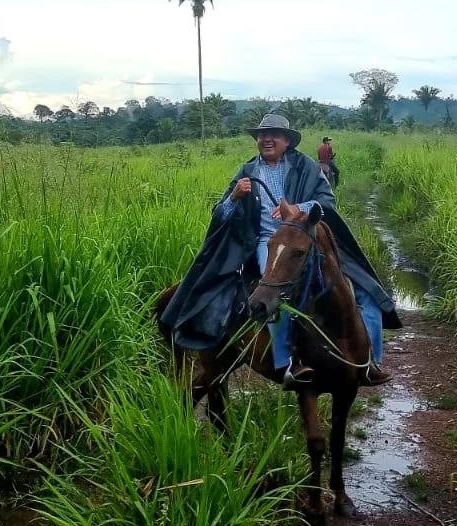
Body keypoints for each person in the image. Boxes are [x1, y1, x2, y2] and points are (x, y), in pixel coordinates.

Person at [159, 113, 399, 387]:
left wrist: (300, 208)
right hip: (268, 244)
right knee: (276, 291)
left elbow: (326, 202)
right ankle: (288, 363)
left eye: (274, 135)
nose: (267, 139)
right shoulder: (247, 172)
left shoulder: (306, 167)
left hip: (308, 240)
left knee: (367, 293)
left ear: (287, 141)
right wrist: (234, 198)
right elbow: (220, 214)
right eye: (262, 135)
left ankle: (369, 363)